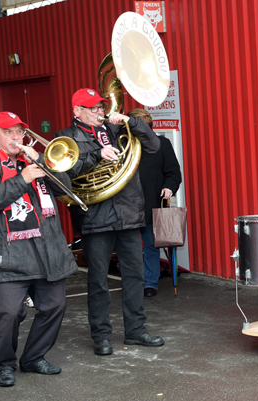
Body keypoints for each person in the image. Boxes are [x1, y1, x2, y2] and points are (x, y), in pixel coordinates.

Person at [0, 111, 78, 387]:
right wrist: (23, 178)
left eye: (19, 131)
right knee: (9, 313)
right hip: (5, 251)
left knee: (55, 305)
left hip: (45, 248)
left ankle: (33, 358)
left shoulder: (35, 160)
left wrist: (43, 163)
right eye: (8, 132)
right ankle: (4, 364)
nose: (16, 137)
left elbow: (67, 192)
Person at [55, 88, 163, 356]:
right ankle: (101, 336)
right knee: (98, 281)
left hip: (127, 214)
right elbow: (65, 174)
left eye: (101, 107)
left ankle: (136, 330)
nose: (99, 112)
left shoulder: (117, 131)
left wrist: (131, 121)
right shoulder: (65, 138)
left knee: (135, 276)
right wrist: (96, 156)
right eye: (92, 108)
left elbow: (153, 145)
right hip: (95, 217)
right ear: (76, 111)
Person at [127, 108, 182, 298]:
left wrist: (169, 187)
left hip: (152, 204)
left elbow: (174, 172)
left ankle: (150, 283)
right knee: (131, 248)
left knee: (150, 245)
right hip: (128, 206)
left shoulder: (162, 144)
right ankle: (134, 283)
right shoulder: (125, 145)